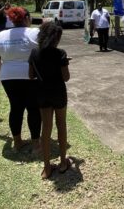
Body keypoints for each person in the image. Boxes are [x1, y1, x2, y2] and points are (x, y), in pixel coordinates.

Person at [0, 7, 41, 152]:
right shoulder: (34, 32)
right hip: (31, 75)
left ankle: (17, 142)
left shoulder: (0, 35)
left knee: (16, 108)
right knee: (33, 108)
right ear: (26, 18)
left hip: (8, 76)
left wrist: (0, 68)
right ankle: (36, 143)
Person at [28, 22, 71, 179]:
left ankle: (46, 167)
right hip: (58, 93)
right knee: (61, 125)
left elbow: (30, 75)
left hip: (42, 93)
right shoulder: (60, 53)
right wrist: (64, 63)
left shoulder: (34, 53)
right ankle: (63, 163)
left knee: (46, 129)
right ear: (56, 38)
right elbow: (66, 77)